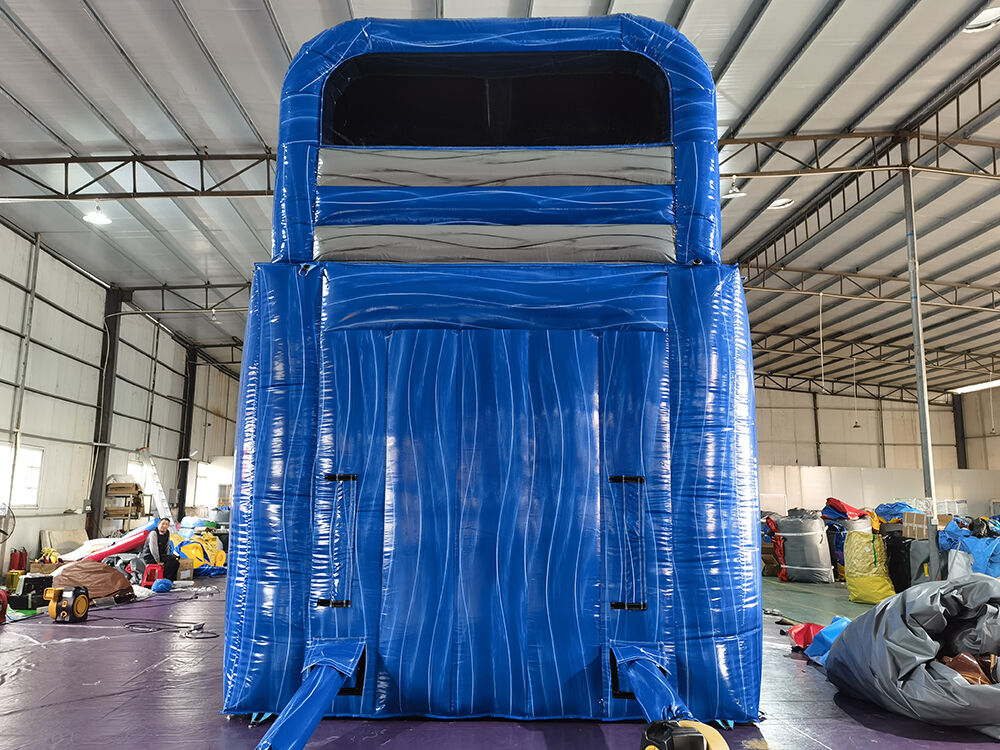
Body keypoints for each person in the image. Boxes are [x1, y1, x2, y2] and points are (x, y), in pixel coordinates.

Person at [142, 517, 179, 581]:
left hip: (161, 555)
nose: (164, 526)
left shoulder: (167, 533)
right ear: (158, 524)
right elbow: (154, 549)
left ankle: (170, 580)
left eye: (167, 524)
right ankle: (164, 578)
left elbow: (167, 546)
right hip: (150, 556)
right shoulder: (153, 533)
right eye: (163, 524)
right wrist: (158, 561)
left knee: (176, 561)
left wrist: (167, 556)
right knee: (171, 560)